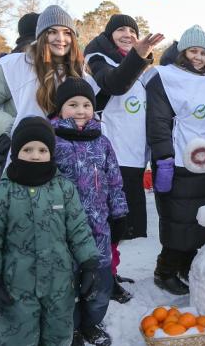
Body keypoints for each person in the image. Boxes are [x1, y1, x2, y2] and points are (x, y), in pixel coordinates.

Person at [0, 116, 100, 345]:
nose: (35, 155)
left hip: (59, 287)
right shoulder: (1, 195)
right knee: (17, 338)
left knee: (58, 337)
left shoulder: (64, 189)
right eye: (27, 149)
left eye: (42, 149)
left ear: (51, 153)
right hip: (15, 289)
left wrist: (89, 264)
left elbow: (79, 229)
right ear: (15, 153)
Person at [84, 14, 163, 302]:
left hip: (132, 157)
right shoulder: (98, 60)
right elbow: (115, 84)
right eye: (121, 30)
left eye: (132, 30)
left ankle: (110, 271)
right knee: (101, 223)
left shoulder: (145, 69)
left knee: (118, 224)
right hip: (107, 156)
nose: (128, 34)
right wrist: (138, 57)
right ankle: (99, 279)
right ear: (109, 35)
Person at [0, 5, 84, 175]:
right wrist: (16, 128)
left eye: (67, 32)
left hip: (64, 166)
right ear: (42, 35)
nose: (60, 38)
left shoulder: (80, 73)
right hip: (16, 161)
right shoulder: (13, 66)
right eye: (52, 32)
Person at [50, 78, 127, 345]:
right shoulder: (52, 140)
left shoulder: (102, 142)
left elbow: (115, 179)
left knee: (99, 281)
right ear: (60, 109)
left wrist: (119, 215)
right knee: (67, 282)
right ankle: (69, 327)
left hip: (98, 227)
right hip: (63, 228)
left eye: (86, 104)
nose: (81, 110)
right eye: (72, 105)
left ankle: (92, 323)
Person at [146, 25, 205, 295]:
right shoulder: (164, 77)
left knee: (199, 219)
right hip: (177, 159)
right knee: (178, 218)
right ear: (182, 52)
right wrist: (163, 157)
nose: (199, 57)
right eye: (193, 51)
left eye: (203, 52)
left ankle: (185, 265)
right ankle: (164, 269)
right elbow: (158, 121)